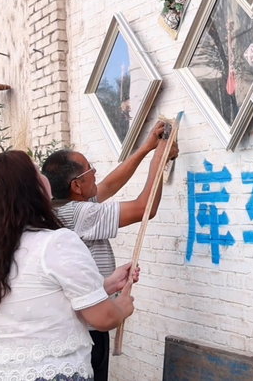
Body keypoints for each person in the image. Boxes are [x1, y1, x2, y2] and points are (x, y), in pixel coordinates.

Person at [0, 150, 140, 381]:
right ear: (30, 190)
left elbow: (42, 298)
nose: (44, 176)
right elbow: (103, 318)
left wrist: (104, 286)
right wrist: (122, 307)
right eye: (37, 172)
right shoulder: (56, 242)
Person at [41, 121, 178, 381]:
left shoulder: (60, 206)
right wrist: (159, 159)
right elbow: (143, 208)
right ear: (77, 186)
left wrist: (146, 148)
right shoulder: (81, 214)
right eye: (90, 169)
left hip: (78, 324)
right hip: (90, 329)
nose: (96, 173)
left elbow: (110, 185)